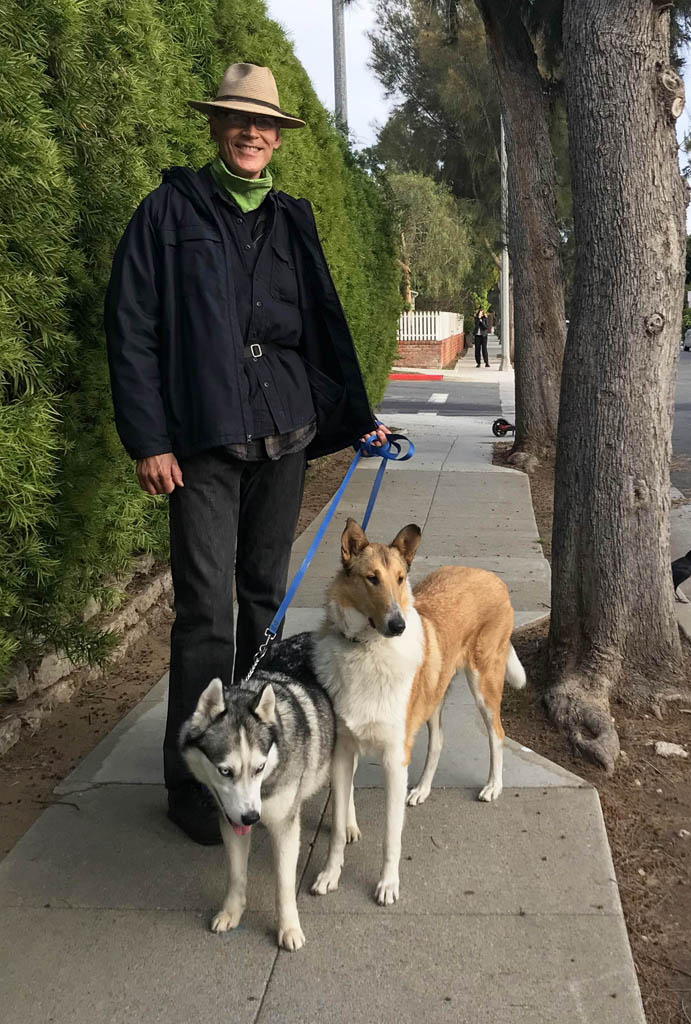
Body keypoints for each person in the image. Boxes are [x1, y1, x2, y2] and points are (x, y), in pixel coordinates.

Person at [105, 64, 388, 845]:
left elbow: (323, 322)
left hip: (285, 433)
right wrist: (149, 438)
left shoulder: (292, 217)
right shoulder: (166, 214)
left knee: (264, 601)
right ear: (215, 127)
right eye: (238, 120)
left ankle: (257, 766)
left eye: (264, 124)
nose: (253, 133)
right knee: (204, 609)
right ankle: (193, 784)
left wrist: (352, 415)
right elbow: (130, 330)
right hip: (201, 444)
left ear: (277, 137)